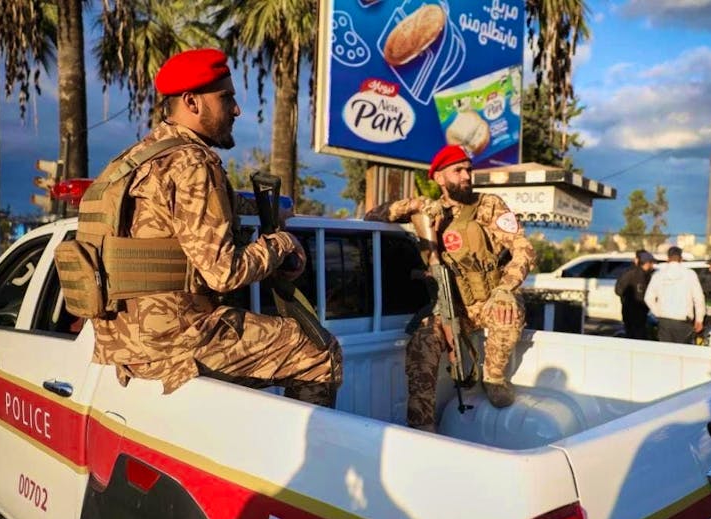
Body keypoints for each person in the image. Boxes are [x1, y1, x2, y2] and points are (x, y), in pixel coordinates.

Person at [88, 48, 340, 406]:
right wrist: (282, 243)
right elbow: (223, 273)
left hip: (123, 341)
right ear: (192, 102)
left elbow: (196, 210)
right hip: (176, 339)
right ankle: (305, 461)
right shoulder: (192, 160)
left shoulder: (138, 159)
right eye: (227, 98)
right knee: (319, 351)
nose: (236, 110)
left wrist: (267, 209)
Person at [365, 145, 535, 430]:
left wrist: (506, 288)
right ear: (439, 178)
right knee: (422, 343)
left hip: (489, 299)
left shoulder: (489, 205)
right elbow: (373, 216)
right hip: (450, 306)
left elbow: (523, 249)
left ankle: (493, 378)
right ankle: (422, 426)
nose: (466, 175)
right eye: (458, 170)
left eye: (468, 169)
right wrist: (417, 206)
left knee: (509, 310)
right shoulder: (432, 212)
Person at [644, 246, 705, 344]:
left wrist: (658, 313)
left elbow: (648, 298)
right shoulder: (690, 274)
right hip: (683, 321)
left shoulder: (658, 275)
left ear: (668, 258)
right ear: (681, 259)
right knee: (682, 353)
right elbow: (699, 298)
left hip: (664, 321)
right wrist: (699, 320)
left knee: (666, 353)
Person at [614, 250, 656, 339]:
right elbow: (618, 290)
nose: (653, 265)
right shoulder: (631, 274)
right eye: (651, 263)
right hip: (633, 312)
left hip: (638, 312)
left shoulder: (647, 275)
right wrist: (630, 298)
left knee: (634, 336)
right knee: (635, 336)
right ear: (647, 263)